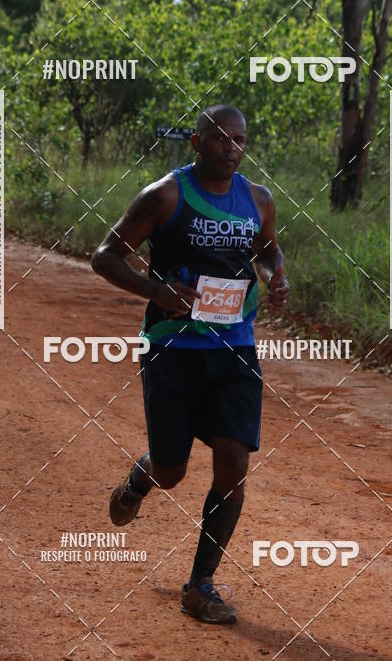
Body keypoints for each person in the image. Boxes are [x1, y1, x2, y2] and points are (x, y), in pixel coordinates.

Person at [91, 104, 289, 624]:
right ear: (198, 142)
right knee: (172, 471)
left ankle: (200, 584)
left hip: (235, 350)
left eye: (240, 140)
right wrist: (158, 291)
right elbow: (105, 254)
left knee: (234, 465)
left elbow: (268, 251)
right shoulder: (166, 196)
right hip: (173, 350)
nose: (232, 148)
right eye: (221, 138)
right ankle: (141, 480)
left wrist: (276, 275)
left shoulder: (258, 200)